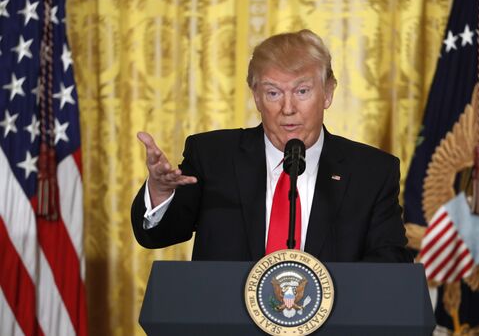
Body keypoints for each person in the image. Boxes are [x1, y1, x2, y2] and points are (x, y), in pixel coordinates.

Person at [131, 29, 412, 263]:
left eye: (302, 91)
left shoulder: (371, 172)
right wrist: (159, 192)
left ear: (327, 93)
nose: (287, 108)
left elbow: (389, 267)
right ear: (256, 96)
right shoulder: (212, 156)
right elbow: (159, 236)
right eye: (273, 92)